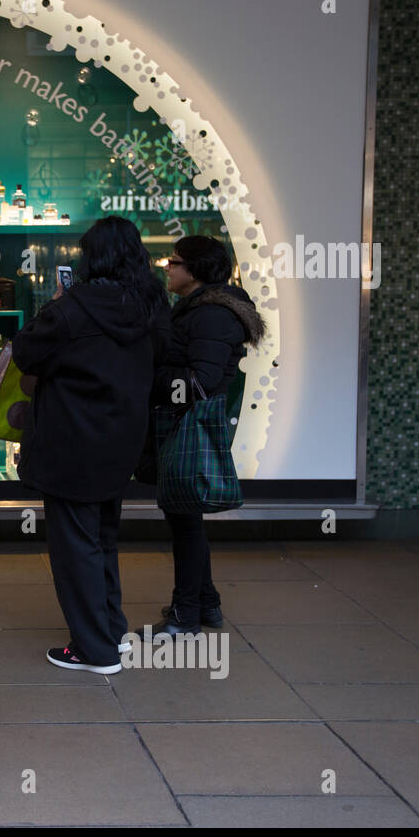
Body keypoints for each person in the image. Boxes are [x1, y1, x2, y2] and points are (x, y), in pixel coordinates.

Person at [12, 216, 167, 675]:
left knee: (74, 547)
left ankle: (93, 650)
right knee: (102, 539)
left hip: (71, 443)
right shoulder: (149, 305)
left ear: (91, 256)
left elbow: (25, 352)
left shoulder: (72, 308)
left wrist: (56, 304)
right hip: (122, 440)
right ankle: (110, 633)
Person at [149, 235, 265, 636]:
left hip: (191, 424)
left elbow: (201, 381)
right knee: (186, 516)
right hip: (189, 423)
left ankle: (186, 614)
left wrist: (153, 378)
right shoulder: (202, 308)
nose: (168, 268)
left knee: (184, 518)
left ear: (194, 271)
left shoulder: (211, 314)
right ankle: (207, 604)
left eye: (174, 262)